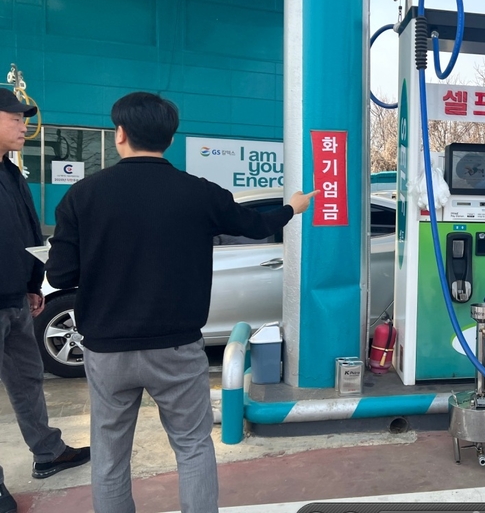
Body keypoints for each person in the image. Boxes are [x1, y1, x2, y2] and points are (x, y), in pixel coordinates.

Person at [45, 92, 318, 513]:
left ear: (120, 134)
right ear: (170, 139)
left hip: (107, 349)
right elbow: (256, 224)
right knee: (192, 446)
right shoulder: (198, 193)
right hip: (177, 347)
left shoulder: (82, 196)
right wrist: (292, 208)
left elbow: (60, 276)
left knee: (110, 453)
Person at [0, 88, 90, 513]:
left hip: (16, 299)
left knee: (28, 380)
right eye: (15, 118)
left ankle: (48, 452)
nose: (24, 126)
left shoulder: (11, 171)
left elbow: (25, 230)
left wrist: (34, 282)